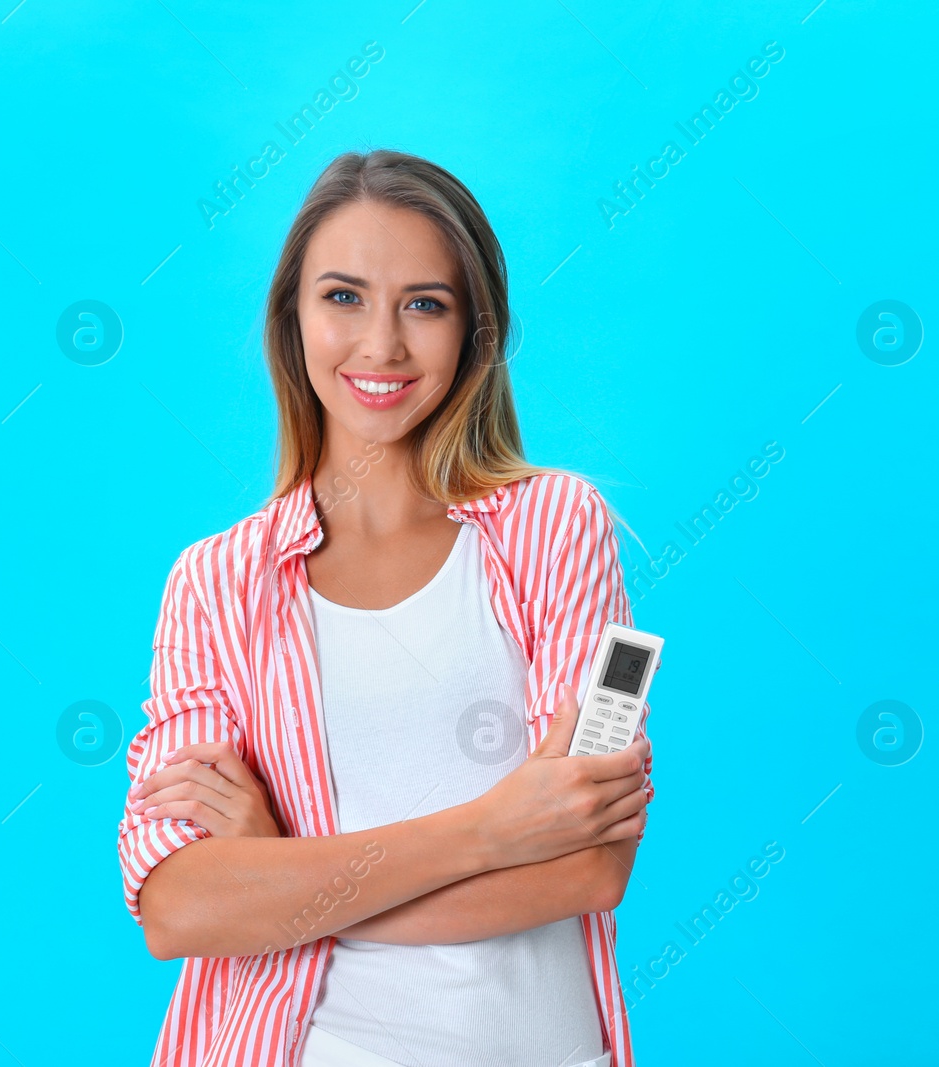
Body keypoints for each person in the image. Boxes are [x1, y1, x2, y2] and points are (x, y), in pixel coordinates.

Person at [117, 149, 655, 1067]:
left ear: (474, 331)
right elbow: (178, 908)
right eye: (343, 297)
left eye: (424, 303)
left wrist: (286, 869)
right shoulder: (214, 581)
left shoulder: (557, 525)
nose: (382, 347)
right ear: (292, 319)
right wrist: (492, 829)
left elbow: (589, 865)